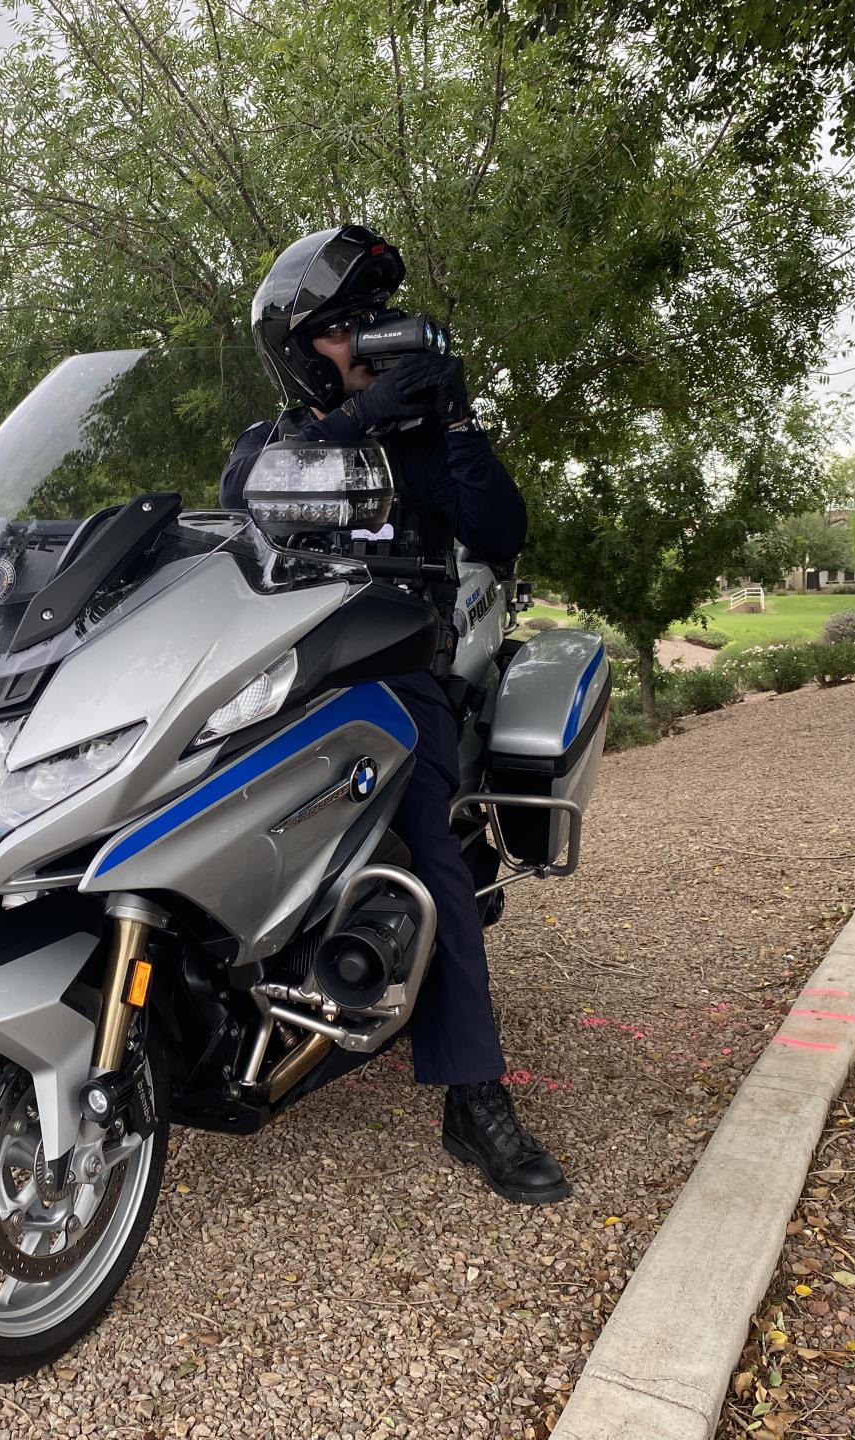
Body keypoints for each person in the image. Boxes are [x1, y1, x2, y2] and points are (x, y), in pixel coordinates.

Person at [220, 224, 568, 1205]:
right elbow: (243, 500)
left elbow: (500, 529)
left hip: (393, 667)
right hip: (275, 666)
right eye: (344, 328)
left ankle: (474, 1094)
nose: (368, 339)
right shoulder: (273, 441)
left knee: (425, 826)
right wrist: (356, 419)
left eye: (373, 321)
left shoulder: (422, 436)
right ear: (299, 348)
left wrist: (452, 424)